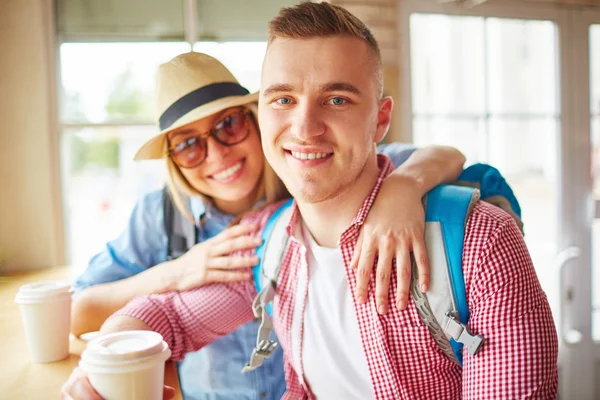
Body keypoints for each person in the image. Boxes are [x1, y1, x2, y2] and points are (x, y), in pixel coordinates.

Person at [66, 50, 467, 400]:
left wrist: (403, 186)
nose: (216, 154)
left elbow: (446, 155)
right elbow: (81, 311)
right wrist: (177, 272)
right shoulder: (161, 216)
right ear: (172, 158)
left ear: (256, 120)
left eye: (229, 126)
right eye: (188, 144)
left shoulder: (315, 179)